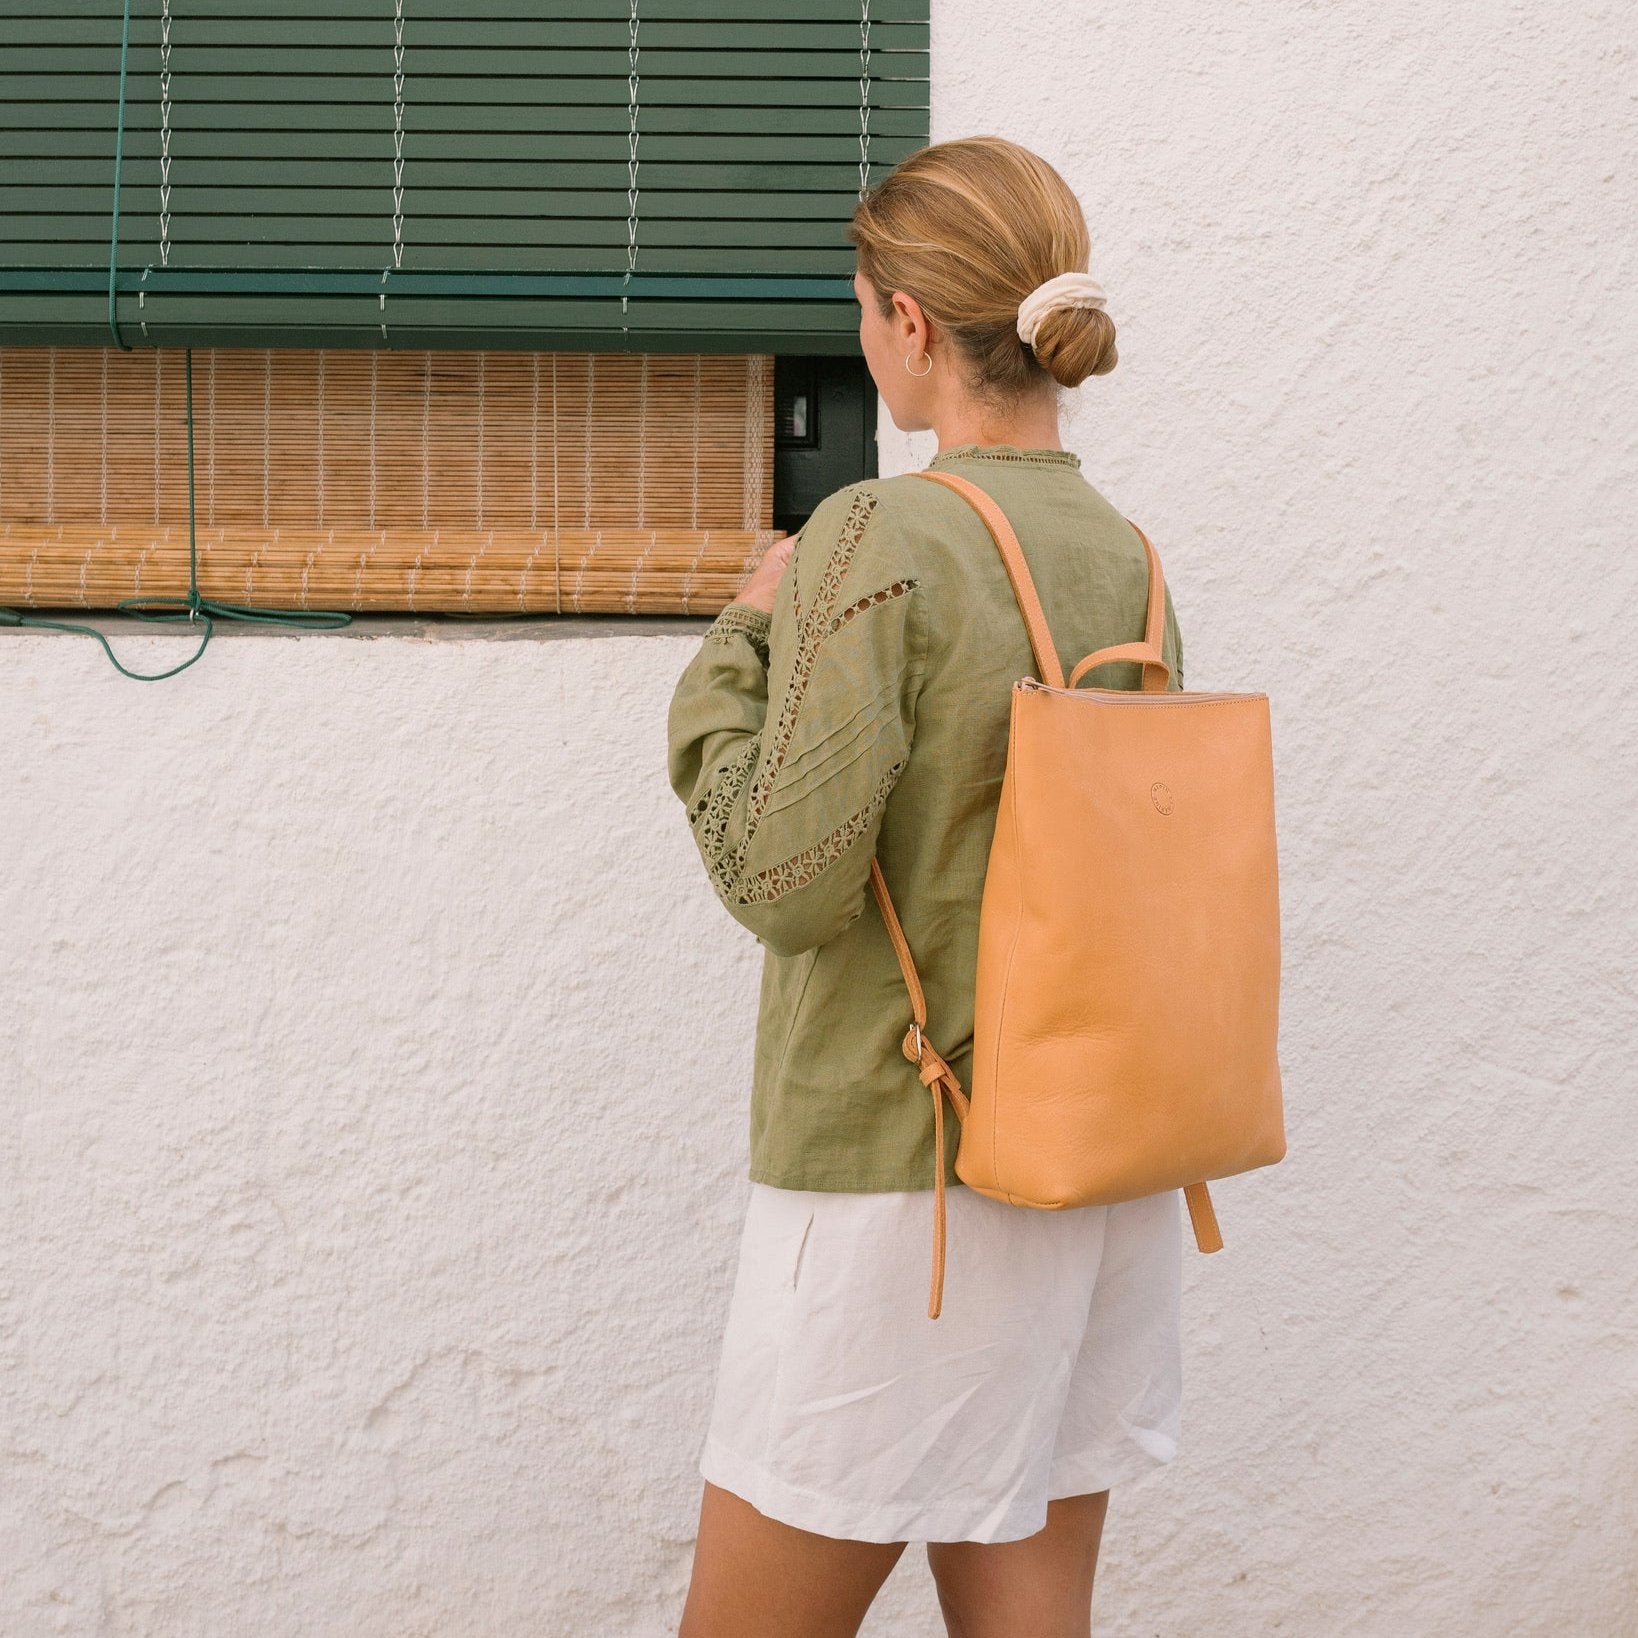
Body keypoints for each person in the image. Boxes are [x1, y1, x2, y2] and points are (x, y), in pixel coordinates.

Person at [666, 135, 1188, 1638]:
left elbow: (784, 880)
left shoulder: (877, 535)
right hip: (1095, 1170)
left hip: (909, 1181)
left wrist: (738, 646)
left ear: (906, 323)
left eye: (859, 308)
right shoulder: (1128, 554)